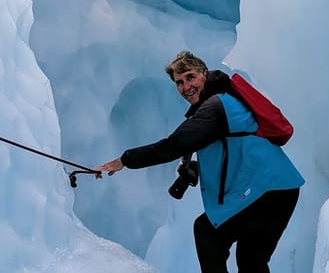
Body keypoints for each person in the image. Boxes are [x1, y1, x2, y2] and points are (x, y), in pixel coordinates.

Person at [97, 51, 304, 273]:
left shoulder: (215, 106)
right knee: (251, 260)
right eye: (179, 82)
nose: (186, 86)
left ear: (204, 74)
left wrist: (125, 160)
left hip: (267, 189)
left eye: (190, 76)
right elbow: (233, 146)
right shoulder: (222, 101)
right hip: (282, 189)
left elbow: (173, 145)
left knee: (207, 233)